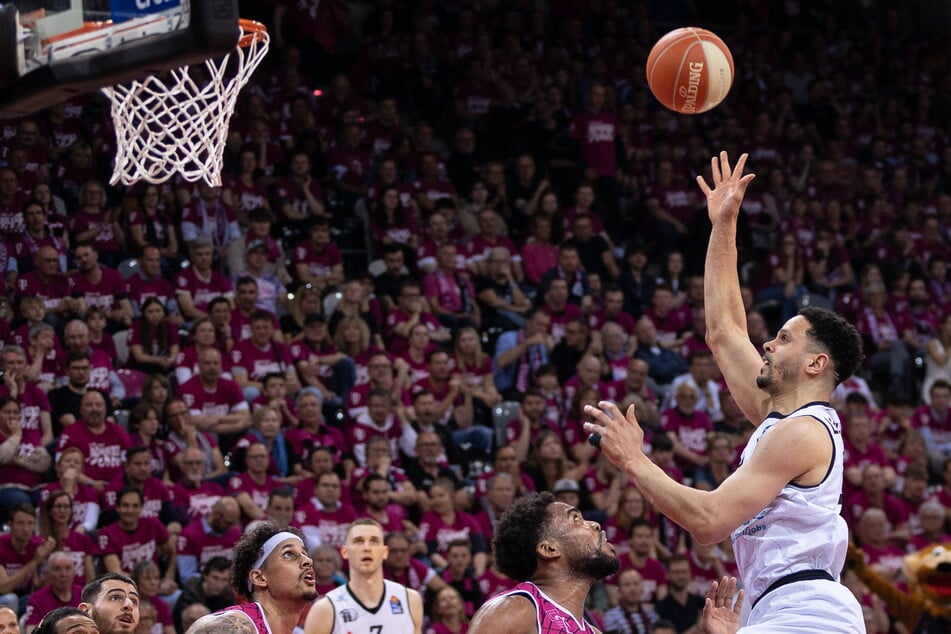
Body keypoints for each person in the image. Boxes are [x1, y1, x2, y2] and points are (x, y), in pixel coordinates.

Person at [583, 152, 866, 632]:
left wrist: (634, 459)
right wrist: (723, 224)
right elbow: (723, 330)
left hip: (808, 611)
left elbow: (710, 520)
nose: (767, 345)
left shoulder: (802, 433)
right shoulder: (779, 418)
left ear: (816, 363)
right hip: (775, 604)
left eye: (783, 339)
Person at [468, 491, 619, 633]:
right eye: (576, 520)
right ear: (549, 549)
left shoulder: (593, 631)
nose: (595, 524)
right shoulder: (514, 609)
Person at [185, 524, 317, 634]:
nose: (308, 560)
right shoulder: (231, 627)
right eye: (289, 554)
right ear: (259, 578)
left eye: (305, 554)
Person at [304, 518, 423, 634]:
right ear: (345, 552)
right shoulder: (325, 609)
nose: (367, 548)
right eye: (359, 541)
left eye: (374, 541)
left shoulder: (410, 600)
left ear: (385, 552)